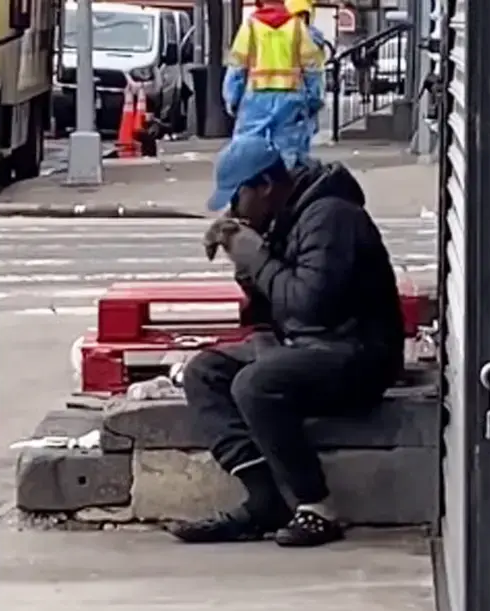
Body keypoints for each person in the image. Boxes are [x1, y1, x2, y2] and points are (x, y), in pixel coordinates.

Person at [167, 135, 404, 547]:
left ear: (264, 186)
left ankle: (317, 506)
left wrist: (256, 256)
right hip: (309, 344)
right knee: (204, 373)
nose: (232, 212)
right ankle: (264, 500)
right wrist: (245, 267)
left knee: (255, 384)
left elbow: (308, 304)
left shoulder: (331, 217)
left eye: (236, 199)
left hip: (359, 353)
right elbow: (272, 312)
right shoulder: (281, 218)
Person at [223, 0, 325, 169]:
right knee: (289, 155)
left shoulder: (250, 27)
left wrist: (232, 98)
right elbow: (313, 68)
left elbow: (237, 66)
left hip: (255, 99)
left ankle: (253, 190)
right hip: (291, 98)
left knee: (248, 153)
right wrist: (314, 99)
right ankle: (288, 191)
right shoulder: (297, 27)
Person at [286, 0, 327, 153]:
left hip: (291, 95)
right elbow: (314, 72)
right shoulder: (312, 37)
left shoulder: (290, 35)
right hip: (301, 96)